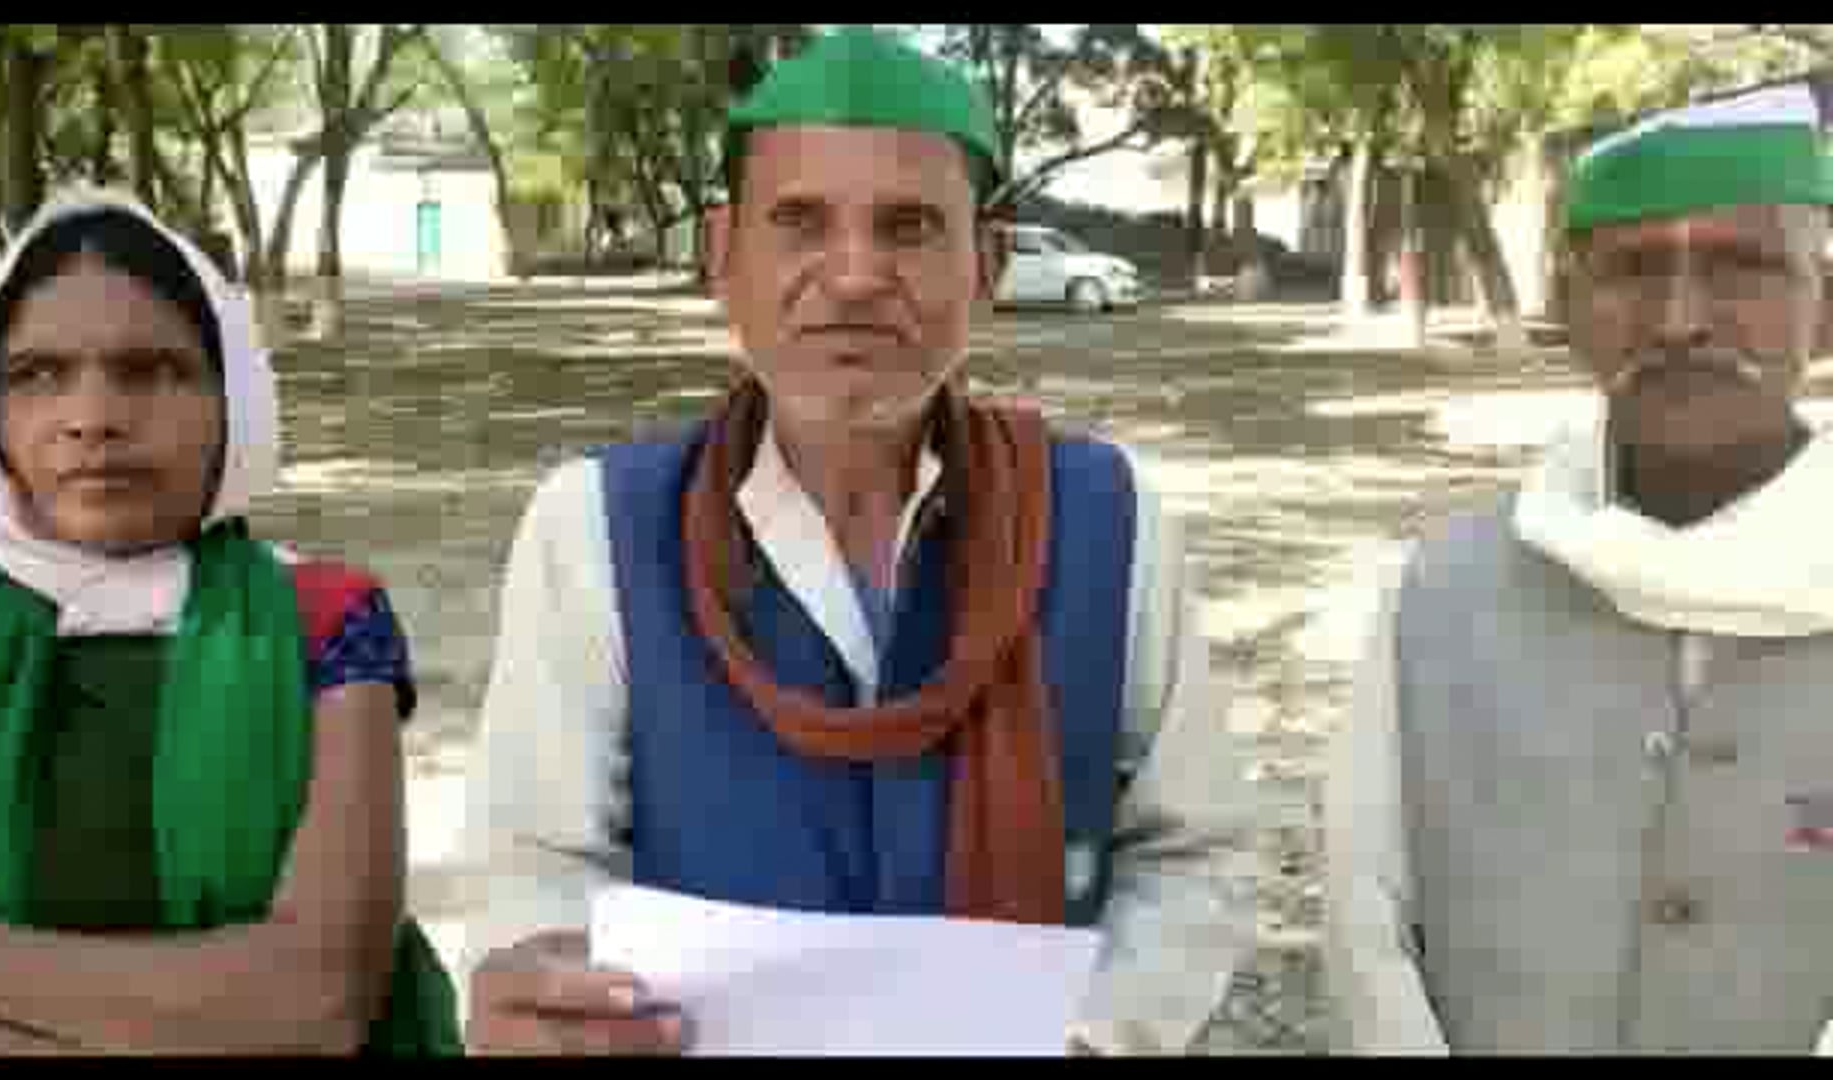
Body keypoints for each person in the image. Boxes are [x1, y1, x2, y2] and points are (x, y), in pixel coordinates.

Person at [459, 26, 1256, 1057]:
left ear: (988, 264)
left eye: (909, 227)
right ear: (721, 255)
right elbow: (535, 872)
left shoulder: (1108, 520)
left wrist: (1091, 1037)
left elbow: (1194, 856)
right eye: (799, 222)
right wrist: (558, 1000)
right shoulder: (594, 530)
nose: (853, 275)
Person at [1323, 80, 1833, 1054]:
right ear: (1567, 311)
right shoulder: (1441, 593)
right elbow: (1365, 919)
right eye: (1633, 271)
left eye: (1743, 267)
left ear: (1827, 307)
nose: (1678, 319)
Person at [0, 191, 461, 1055]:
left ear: (230, 397)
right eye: (37, 374)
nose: (93, 418)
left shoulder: (321, 619)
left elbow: (314, 1001)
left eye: (150, 370)